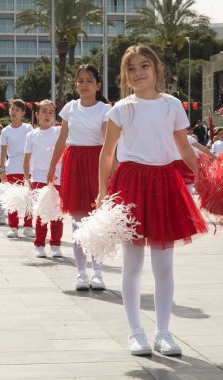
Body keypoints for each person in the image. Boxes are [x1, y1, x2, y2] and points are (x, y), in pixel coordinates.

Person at [97, 44, 208, 356]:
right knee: (132, 265)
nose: (138, 73)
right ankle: (136, 333)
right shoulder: (121, 109)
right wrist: (103, 193)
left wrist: (201, 175)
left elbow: (184, 147)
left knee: (164, 266)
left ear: (158, 69)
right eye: (131, 68)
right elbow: (107, 153)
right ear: (125, 75)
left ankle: (163, 332)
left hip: (164, 183)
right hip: (131, 184)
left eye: (144, 66)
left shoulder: (172, 105)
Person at [47, 64, 111, 291]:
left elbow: (107, 141)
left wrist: (112, 169)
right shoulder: (70, 108)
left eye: (89, 81)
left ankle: (98, 273)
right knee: (77, 222)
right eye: (80, 80)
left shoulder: (105, 109)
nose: (84, 85)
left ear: (98, 85)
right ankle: (81, 273)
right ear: (76, 84)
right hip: (74, 163)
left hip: (97, 162)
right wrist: (52, 166)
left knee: (97, 220)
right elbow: (61, 140)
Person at [24, 100, 63, 258]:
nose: (48, 115)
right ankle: (39, 244)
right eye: (44, 111)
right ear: (37, 114)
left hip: (57, 177)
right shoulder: (31, 134)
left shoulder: (59, 132)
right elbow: (27, 159)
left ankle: (55, 244)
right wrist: (27, 178)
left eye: (51, 112)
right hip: (38, 177)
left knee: (56, 213)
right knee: (41, 212)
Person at [0, 99, 34, 238]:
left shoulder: (28, 129)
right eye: (12, 109)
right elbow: (3, 152)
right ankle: (13, 226)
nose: (14, 112)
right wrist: (2, 170)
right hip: (12, 166)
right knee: (13, 198)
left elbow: (34, 147)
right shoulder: (5, 131)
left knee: (28, 197)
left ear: (23, 113)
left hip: (28, 166)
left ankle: (27, 226)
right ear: (9, 110)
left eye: (17, 110)